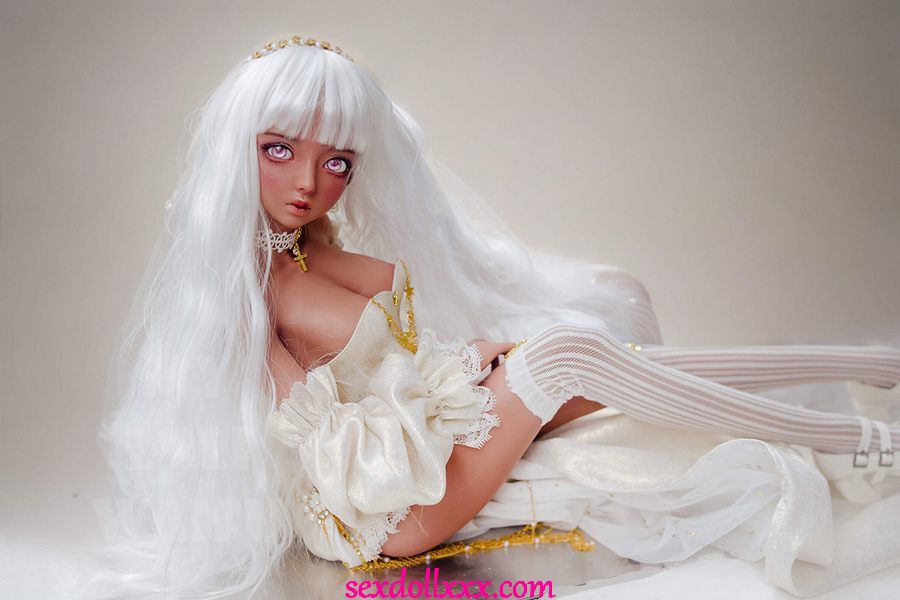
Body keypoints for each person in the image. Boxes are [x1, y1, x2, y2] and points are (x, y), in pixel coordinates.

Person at [79, 35, 900, 599]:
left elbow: (387, 352)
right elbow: (325, 448)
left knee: (615, 370)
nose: (308, 183)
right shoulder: (244, 295)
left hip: (427, 449)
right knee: (569, 355)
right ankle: (860, 439)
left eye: (338, 162)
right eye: (279, 149)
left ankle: (868, 372)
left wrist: (465, 364)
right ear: (237, 148)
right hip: (382, 508)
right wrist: (447, 391)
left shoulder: (310, 247)